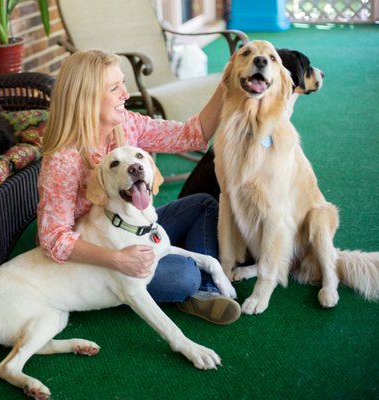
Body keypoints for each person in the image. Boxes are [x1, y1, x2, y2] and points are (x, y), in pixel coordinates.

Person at [37, 49, 240, 325]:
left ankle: (204, 290)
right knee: (184, 276)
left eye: (122, 83)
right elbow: (54, 239)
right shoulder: (63, 159)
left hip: (136, 224)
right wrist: (118, 260)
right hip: (100, 256)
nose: (125, 93)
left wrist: (226, 83)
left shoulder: (127, 123)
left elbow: (191, 135)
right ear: (86, 99)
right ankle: (196, 286)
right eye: (114, 88)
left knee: (203, 204)